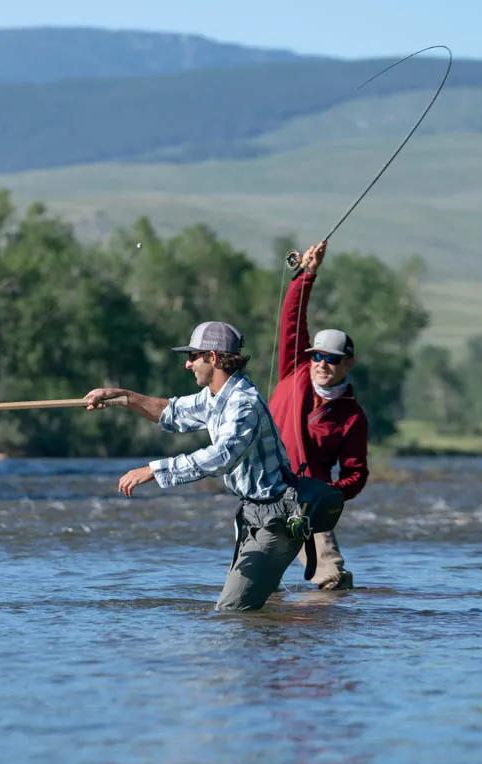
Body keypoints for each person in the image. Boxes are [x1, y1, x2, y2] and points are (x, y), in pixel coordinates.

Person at [84, 320, 301, 611]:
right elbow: (171, 413)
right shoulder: (215, 397)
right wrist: (120, 397)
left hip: (275, 518)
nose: (187, 365)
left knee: (232, 611)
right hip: (253, 516)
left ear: (212, 358)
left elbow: (221, 456)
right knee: (258, 613)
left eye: (192, 356)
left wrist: (153, 470)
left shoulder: (242, 403)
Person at [268, 241, 369, 591]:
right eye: (317, 357)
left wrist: (326, 495)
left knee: (332, 581)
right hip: (261, 493)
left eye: (332, 359)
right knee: (256, 588)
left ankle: (321, 641)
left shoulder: (352, 416)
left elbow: (356, 474)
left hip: (308, 504)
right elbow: (292, 320)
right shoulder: (294, 369)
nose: (322, 365)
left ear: (347, 364)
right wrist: (308, 274)